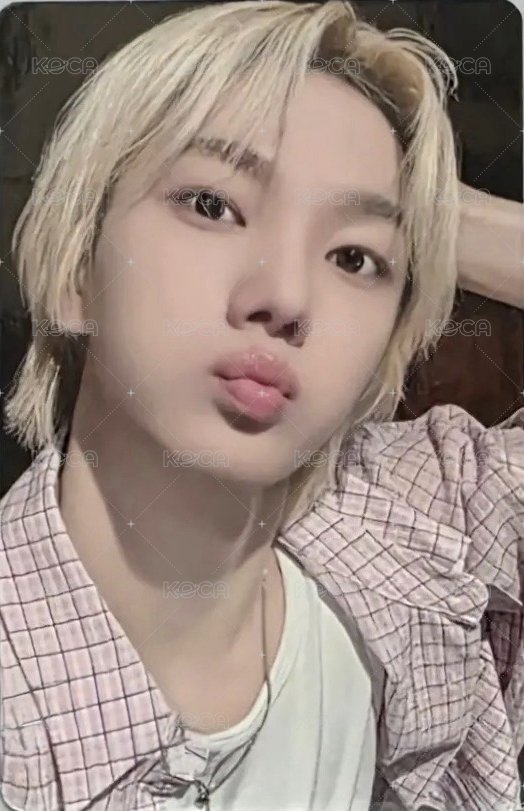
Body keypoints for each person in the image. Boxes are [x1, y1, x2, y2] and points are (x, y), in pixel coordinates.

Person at [0, 1, 523, 809]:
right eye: (213, 206)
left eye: (354, 259)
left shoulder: (422, 512)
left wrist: (437, 216)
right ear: (77, 268)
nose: (286, 296)